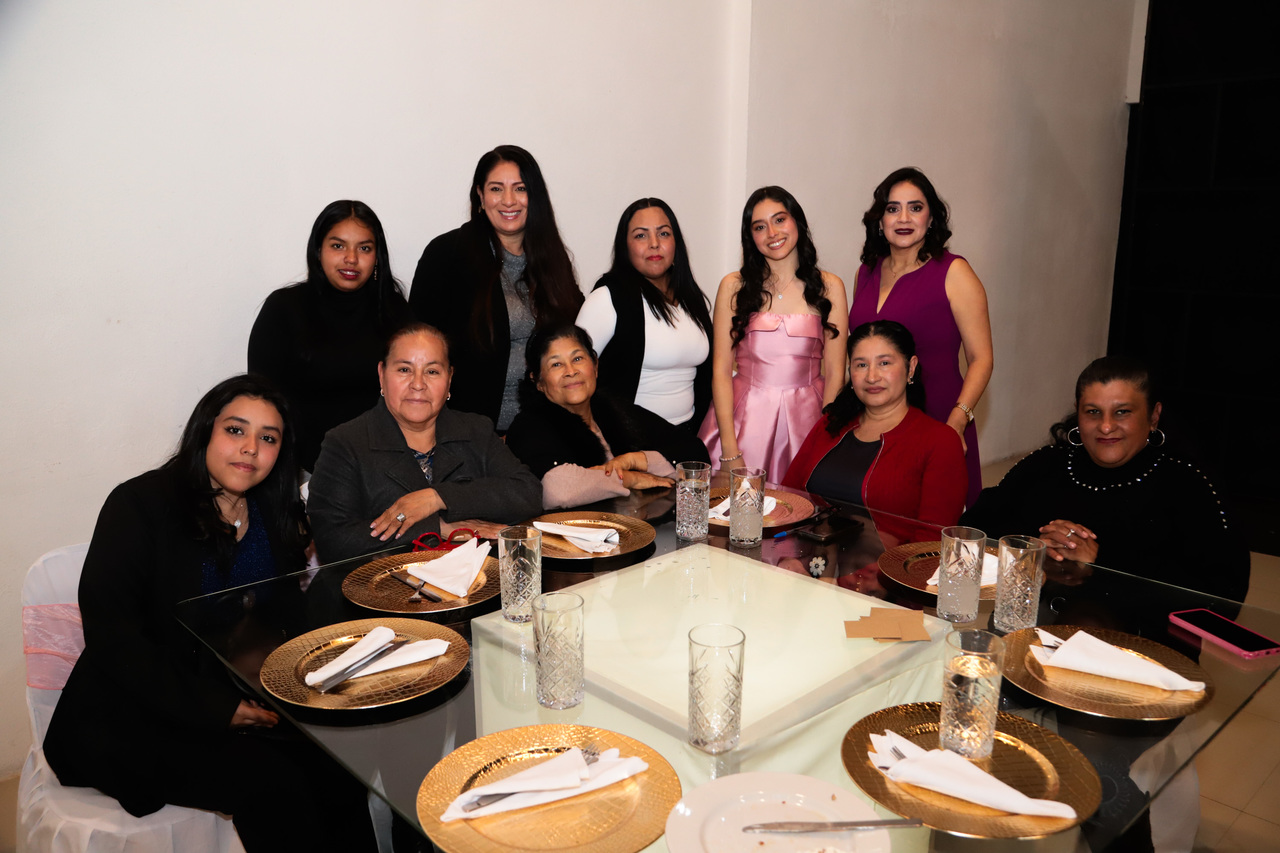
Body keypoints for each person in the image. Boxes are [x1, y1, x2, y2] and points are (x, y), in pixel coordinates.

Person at [42, 376, 375, 851]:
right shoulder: (139, 505)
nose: (251, 448)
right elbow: (113, 639)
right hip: (135, 710)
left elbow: (280, 620)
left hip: (234, 692)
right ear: (205, 432)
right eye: (236, 430)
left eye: (268, 438)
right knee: (273, 783)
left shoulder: (271, 511)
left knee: (339, 762)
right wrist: (219, 709)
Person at [962, 357, 1249, 601]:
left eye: (1122, 412)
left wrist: (1098, 563)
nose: (1107, 426)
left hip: (1139, 641)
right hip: (1032, 635)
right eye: (1093, 412)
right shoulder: (1044, 466)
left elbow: (1223, 593)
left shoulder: (1188, 484)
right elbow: (971, 531)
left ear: (1154, 416)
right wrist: (1032, 548)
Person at [308, 323, 543, 563]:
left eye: (432, 371)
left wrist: (437, 497)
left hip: (477, 579)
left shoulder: (475, 430)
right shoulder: (346, 443)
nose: (418, 384)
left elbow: (528, 493)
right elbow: (332, 539)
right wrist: (437, 527)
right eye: (404, 370)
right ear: (382, 374)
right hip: (380, 583)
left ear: (449, 378)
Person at [410, 145, 582, 431]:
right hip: (471, 431)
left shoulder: (553, 257)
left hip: (548, 427)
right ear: (480, 195)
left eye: (520, 188)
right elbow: (417, 346)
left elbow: (575, 333)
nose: (509, 200)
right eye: (496, 189)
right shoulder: (447, 254)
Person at [849, 167, 993, 508]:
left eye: (915, 207)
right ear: (880, 219)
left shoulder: (954, 272)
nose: (904, 218)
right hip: (876, 418)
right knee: (876, 515)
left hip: (938, 416)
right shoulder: (866, 272)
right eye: (893, 208)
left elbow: (982, 358)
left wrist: (956, 422)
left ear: (931, 218)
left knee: (933, 523)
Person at [249, 200, 412, 471]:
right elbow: (261, 399)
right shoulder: (284, 309)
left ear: (377, 257)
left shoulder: (395, 312)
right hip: (300, 466)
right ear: (318, 250)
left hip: (383, 463)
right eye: (338, 246)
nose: (351, 258)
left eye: (364, 248)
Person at [698, 186, 848, 479]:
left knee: (802, 503)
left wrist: (824, 440)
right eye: (759, 227)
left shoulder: (830, 287)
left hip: (809, 419)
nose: (772, 233)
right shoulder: (733, 286)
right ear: (750, 237)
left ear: (797, 222)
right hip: (744, 422)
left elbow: (835, 373)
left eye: (780, 220)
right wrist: (730, 448)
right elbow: (721, 370)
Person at [784, 321, 967, 542]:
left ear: (911, 367)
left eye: (884, 363)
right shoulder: (831, 424)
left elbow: (932, 540)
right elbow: (789, 499)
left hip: (891, 563)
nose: (872, 377)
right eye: (861, 365)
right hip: (808, 556)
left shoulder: (940, 441)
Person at [506, 324, 710, 508]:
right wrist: (628, 479)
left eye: (577, 359)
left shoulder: (613, 409)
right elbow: (556, 491)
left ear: (595, 366)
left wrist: (634, 460)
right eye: (556, 365)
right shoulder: (528, 426)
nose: (571, 371)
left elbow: (696, 458)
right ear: (538, 381)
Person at [576, 198, 713, 430]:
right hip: (631, 438)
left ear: (676, 242)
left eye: (663, 234)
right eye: (641, 235)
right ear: (625, 246)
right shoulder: (608, 297)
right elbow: (573, 369)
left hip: (689, 435)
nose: (654, 244)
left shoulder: (691, 297)